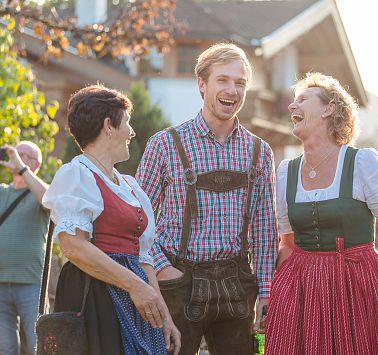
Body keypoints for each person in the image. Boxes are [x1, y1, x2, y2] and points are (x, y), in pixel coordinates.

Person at [136, 43, 278, 355]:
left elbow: (266, 228)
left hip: (237, 285)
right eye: (223, 80)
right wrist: (162, 268)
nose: (232, 91)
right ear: (202, 84)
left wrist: (266, 289)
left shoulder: (259, 152)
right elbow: (136, 219)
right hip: (178, 282)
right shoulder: (165, 144)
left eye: (240, 83)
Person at [42, 85, 180, 355]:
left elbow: (144, 257)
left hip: (135, 296)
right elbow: (74, 247)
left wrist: (164, 317)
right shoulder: (77, 175)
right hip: (94, 295)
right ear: (108, 125)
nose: (133, 132)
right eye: (127, 122)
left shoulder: (129, 186)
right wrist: (134, 285)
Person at [265, 72, 378, 354]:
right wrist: (271, 292)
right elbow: (287, 242)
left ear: (329, 109)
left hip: (356, 285)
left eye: (302, 99)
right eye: (293, 101)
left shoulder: (361, 162)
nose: (292, 106)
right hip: (302, 289)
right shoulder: (286, 171)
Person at [0, 141, 49, 355]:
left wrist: (22, 168)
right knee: (6, 348)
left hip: (32, 285)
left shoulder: (41, 191)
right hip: (1, 284)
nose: (17, 157)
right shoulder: (2, 192)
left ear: (36, 164)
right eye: (15, 153)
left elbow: (48, 201)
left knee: (39, 346)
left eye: (24, 155)